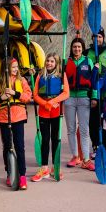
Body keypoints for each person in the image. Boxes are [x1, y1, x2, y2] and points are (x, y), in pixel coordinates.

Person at [0, 57, 32, 190]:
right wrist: (1, 98)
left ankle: (23, 176)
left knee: (19, 146)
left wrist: (15, 93)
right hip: (4, 117)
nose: (16, 69)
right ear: (6, 68)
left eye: (16, 67)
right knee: (7, 146)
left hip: (18, 116)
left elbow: (28, 97)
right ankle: (10, 173)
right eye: (13, 67)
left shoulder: (22, 80)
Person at [31, 52, 70, 182]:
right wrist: (45, 103)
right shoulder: (40, 75)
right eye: (47, 61)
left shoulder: (61, 74)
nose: (49, 63)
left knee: (55, 139)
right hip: (43, 111)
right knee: (45, 139)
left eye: (52, 61)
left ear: (56, 63)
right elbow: (35, 95)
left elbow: (66, 93)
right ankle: (44, 168)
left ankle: (55, 167)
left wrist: (53, 102)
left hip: (56, 111)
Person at [64, 37, 97, 171]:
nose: (76, 49)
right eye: (74, 47)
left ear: (82, 48)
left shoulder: (88, 61)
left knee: (84, 130)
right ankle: (75, 156)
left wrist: (94, 97)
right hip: (69, 98)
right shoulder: (66, 62)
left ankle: (86, 159)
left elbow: (94, 81)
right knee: (71, 129)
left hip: (84, 99)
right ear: (71, 49)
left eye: (79, 47)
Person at [86, 27, 106, 154]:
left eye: (100, 36)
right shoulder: (86, 52)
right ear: (92, 38)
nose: (97, 39)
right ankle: (96, 145)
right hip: (93, 92)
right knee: (94, 121)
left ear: (103, 38)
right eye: (95, 36)